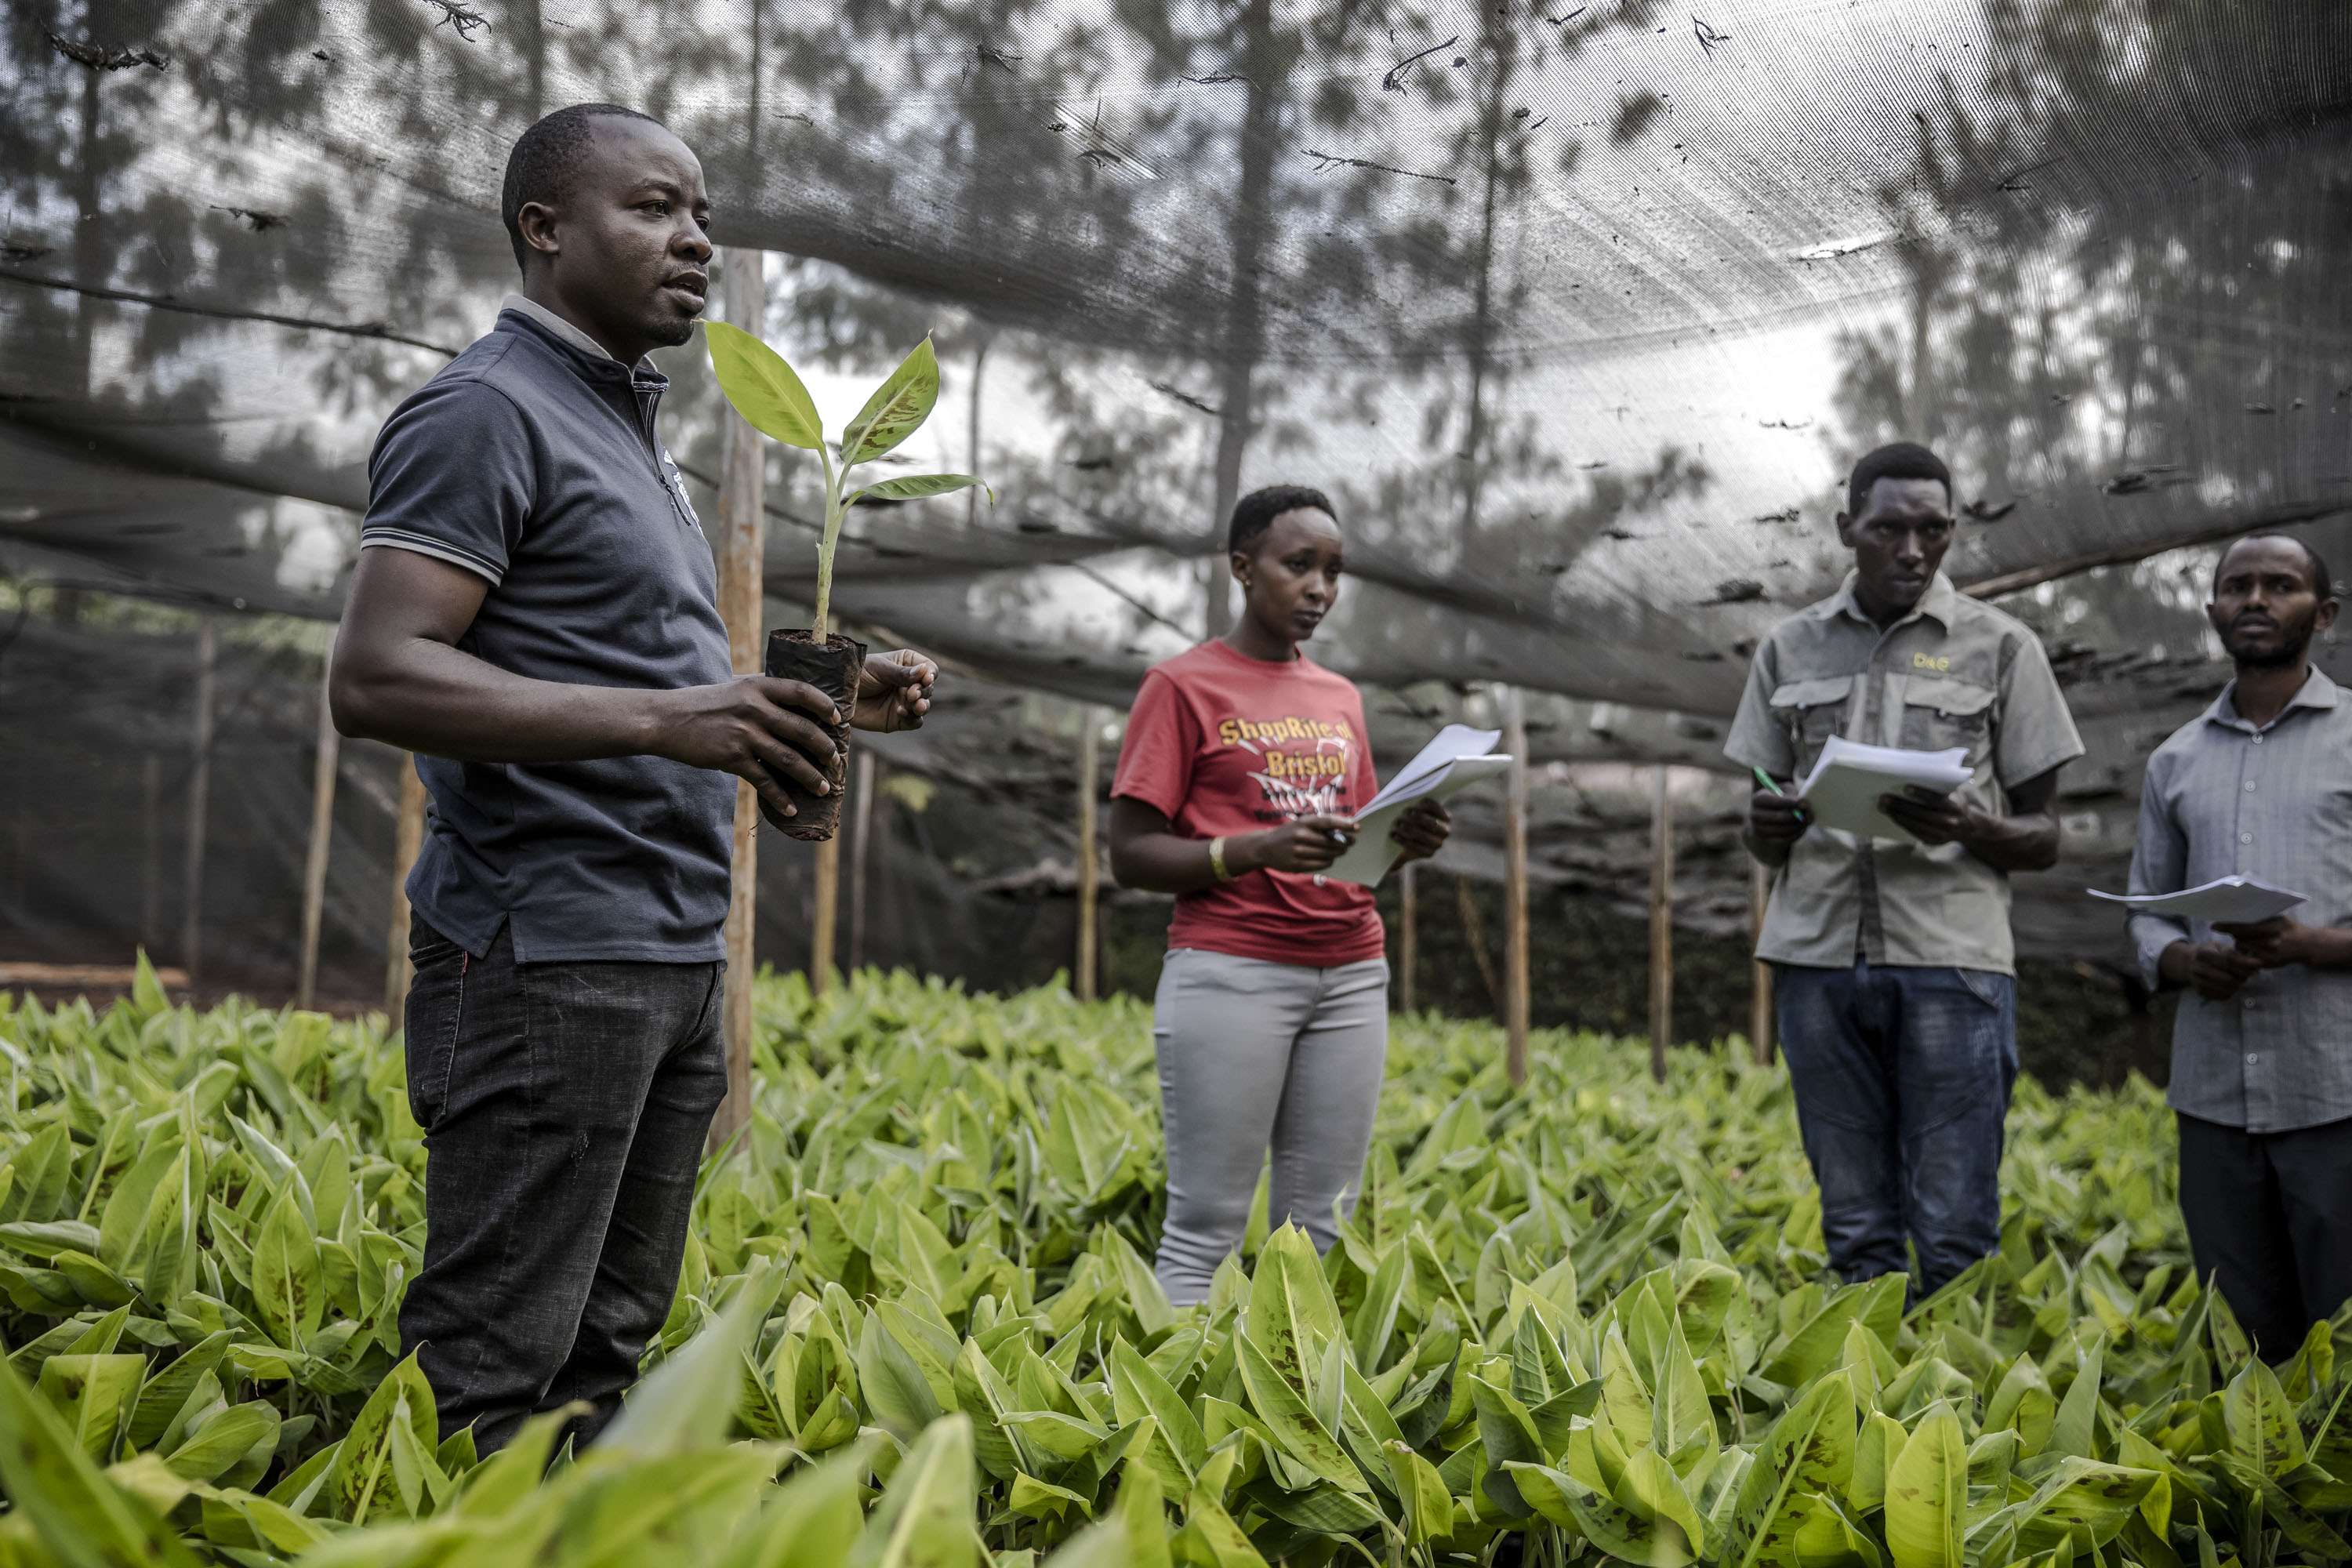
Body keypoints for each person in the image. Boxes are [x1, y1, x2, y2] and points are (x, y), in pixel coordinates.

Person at [330, 103, 936, 1452]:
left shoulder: (631, 431)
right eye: (655, 208)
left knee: (604, 1354)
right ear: (545, 232)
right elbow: (376, 676)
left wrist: (823, 703)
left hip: (668, 955)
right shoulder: (487, 413)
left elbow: (631, 665)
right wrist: (676, 720)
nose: (697, 241)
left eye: (704, 214)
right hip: (548, 952)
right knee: (491, 1367)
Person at [1725, 441, 2084, 1297]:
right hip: (1817, 959)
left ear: (1953, 531)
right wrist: (1767, 822)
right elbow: (1764, 825)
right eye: (1890, 528)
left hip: (1951, 961)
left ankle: (1953, 1412)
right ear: (1849, 528)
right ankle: (1869, 1403)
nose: (1912, 549)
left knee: (1956, 1222)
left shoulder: (2003, 648)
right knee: (1855, 1224)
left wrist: (1968, 823)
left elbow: (2045, 835)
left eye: (1932, 529)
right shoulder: (1789, 648)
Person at [1108, 485, 1450, 1305]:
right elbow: (1128, 853)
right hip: (1230, 970)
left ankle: (1288, 1415)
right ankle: (1174, 1424)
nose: (1320, 588)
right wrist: (1251, 849)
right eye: (1299, 565)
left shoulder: (1340, 697)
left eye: (1333, 571)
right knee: (1205, 1228)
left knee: (1319, 1232)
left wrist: (1402, 845)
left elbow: (1350, 853)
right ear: (1242, 567)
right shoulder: (1181, 686)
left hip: (1352, 975)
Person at [2125, 534, 2352, 1357]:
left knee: (2344, 1328)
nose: (2256, 599)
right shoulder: (2174, 761)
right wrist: (2184, 960)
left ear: (2322, 613)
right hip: (2213, 1096)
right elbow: (2146, 912)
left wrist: (2310, 943)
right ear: (2213, 609)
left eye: (2281, 585)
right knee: (2243, 1338)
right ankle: (2263, 1488)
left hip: (2335, 1089)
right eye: (2238, 585)